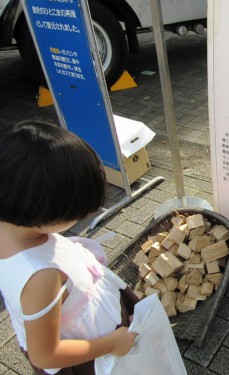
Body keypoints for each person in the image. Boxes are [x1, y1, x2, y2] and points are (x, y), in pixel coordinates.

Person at [0, 120, 139, 374]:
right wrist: (111, 343)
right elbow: (45, 354)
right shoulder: (40, 278)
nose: (82, 218)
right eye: (76, 214)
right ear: (41, 209)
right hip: (88, 356)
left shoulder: (15, 230)